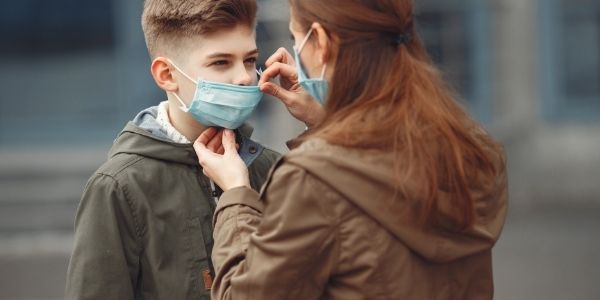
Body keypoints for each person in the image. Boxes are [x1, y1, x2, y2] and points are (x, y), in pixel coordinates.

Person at [193, 0, 508, 299]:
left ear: (320, 41)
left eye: (295, 37)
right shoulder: (468, 149)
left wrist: (235, 195)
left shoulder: (314, 179)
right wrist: (328, 120)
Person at [65, 0, 280, 299]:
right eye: (220, 62)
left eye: (249, 59)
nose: (245, 77)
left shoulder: (273, 169)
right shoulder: (120, 187)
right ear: (166, 74)